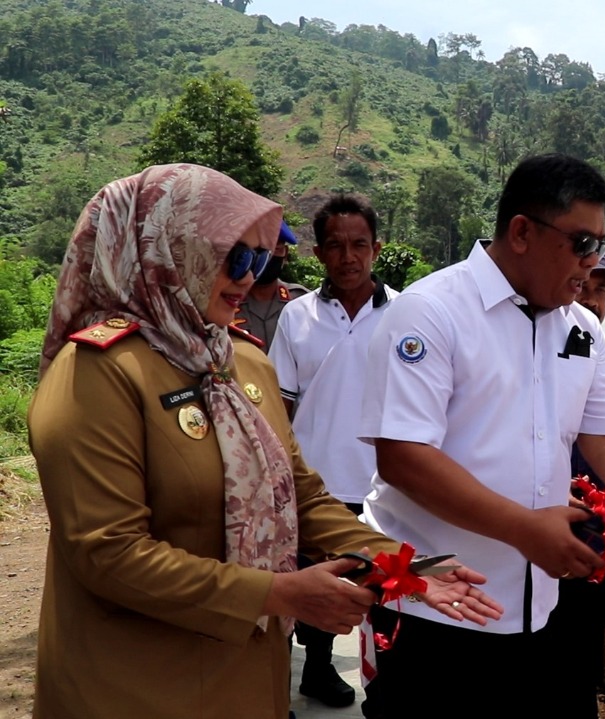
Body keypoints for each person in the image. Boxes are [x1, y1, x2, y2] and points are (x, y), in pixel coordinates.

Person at [27, 163, 501, 719]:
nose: (250, 276)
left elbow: (301, 495)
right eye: (235, 256)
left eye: (261, 258)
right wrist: (278, 595)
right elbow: (106, 554)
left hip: (248, 676)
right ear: (166, 251)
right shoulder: (98, 373)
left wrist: (399, 566)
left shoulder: (241, 359)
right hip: (136, 684)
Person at [358, 153, 605, 714]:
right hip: (437, 608)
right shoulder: (431, 312)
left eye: (601, 245)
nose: (592, 262)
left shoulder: (580, 330)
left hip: (541, 613)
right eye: (582, 243)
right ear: (521, 232)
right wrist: (523, 529)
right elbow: (404, 457)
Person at [269, 193, 396, 709]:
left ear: (377, 248)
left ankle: (388, 687)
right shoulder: (296, 317)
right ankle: (317, 670)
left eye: (359, 245)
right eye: (336, 246)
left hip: (385, 484)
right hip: (316, 487)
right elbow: (279, 405)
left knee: (388, 587)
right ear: (318, 253)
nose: (349, 257)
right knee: (323, 588)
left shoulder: (406, 315)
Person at [544, 249, 605, 717]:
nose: (595, 300)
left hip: (588, 546)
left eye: (604, 289)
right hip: (530, 537)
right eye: (587, 286)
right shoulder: (530, 351)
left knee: (576, 665)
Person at [232, 221, 308, 350]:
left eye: (277, 249)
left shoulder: (303, 302)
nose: (269, 257)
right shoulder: (228, 302)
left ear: (285, 255)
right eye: (262, 250)